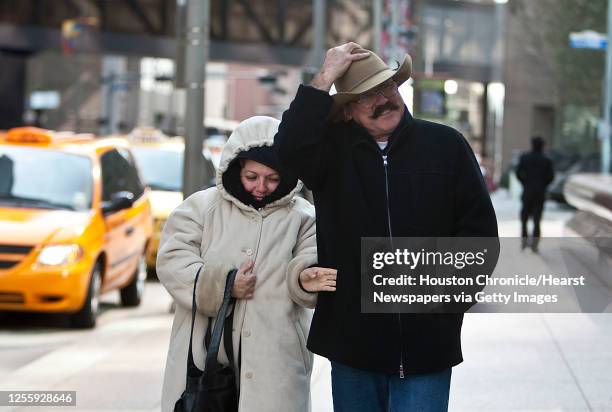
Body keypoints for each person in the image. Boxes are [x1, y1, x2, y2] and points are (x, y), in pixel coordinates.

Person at [274, 43, 499, 411]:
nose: (384, 99)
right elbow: (287, 151)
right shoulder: (330, 153)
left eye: (388, 88)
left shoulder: (446, 145)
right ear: (347, 111)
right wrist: (323, 79)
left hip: (428, 346)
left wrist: (449, 301)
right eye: (367, 96)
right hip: (352, 343)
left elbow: (478, 233)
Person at [156, 116, 337, 412]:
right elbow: (172, 260)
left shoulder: (304, 217)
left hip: (276, 358)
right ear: (236, 167)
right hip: (205, 358)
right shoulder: (201, 208)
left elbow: (310, 257)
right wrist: (222, 285)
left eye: (273, 178)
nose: (261, 187)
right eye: (252, 177)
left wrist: (305, 279)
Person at [515, 136, 554, 252]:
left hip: (527, 191)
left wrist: (525, 182)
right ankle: (535, 245)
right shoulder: (546, 160)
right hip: (540, 193)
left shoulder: (525, 158)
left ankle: (524, 240)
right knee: (537, 219)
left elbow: (518, 173)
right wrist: (543, 185)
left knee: (524, 217)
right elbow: (551, 177)